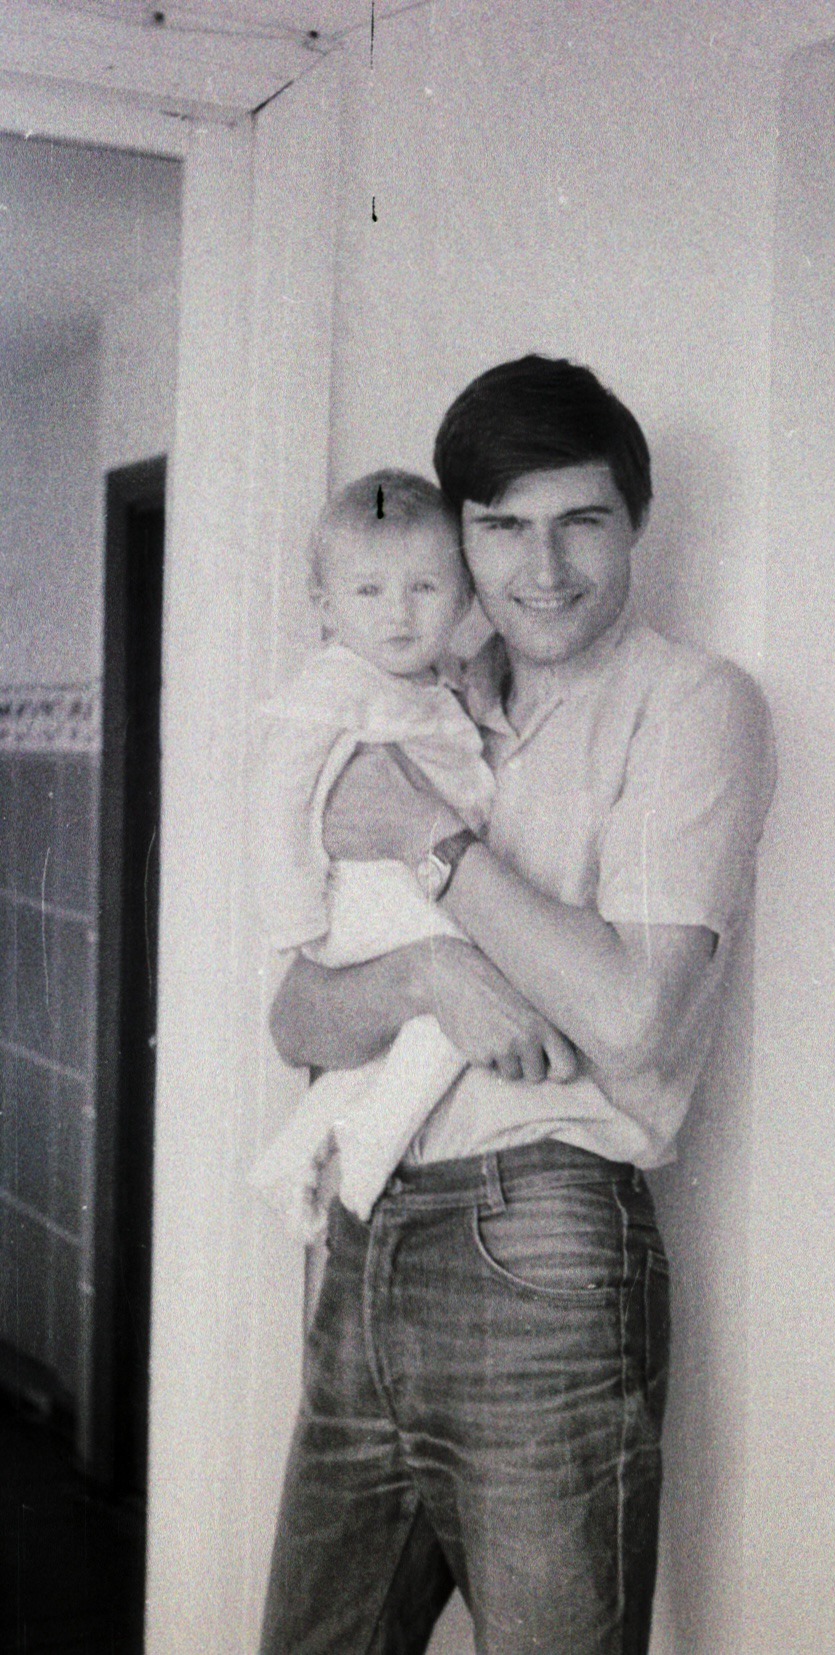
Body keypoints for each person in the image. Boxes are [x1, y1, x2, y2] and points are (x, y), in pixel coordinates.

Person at [259, 356, 775, 1655]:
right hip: (365, 1242)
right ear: (460, 536)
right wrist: (430, 972)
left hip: (541, 1240)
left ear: (634, 522)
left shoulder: (690, 703)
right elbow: (296, 1020)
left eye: (580, 521)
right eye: (501, 526)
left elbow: (636, 1015)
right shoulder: (420, 694)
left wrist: (433, 843)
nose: (542, 568)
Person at [247, 469, 544, 1238]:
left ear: (464, 597)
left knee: (417, 1019)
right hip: (359, 892)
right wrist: (293, 915)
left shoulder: (433, 679)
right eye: (368, 592)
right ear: (325, 606)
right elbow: (278, 792)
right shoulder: (336, 683)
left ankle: (299, 1145)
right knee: (476, 975)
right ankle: (375, 1138)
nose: (399, 614)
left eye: (424, 588)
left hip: (405, 881)